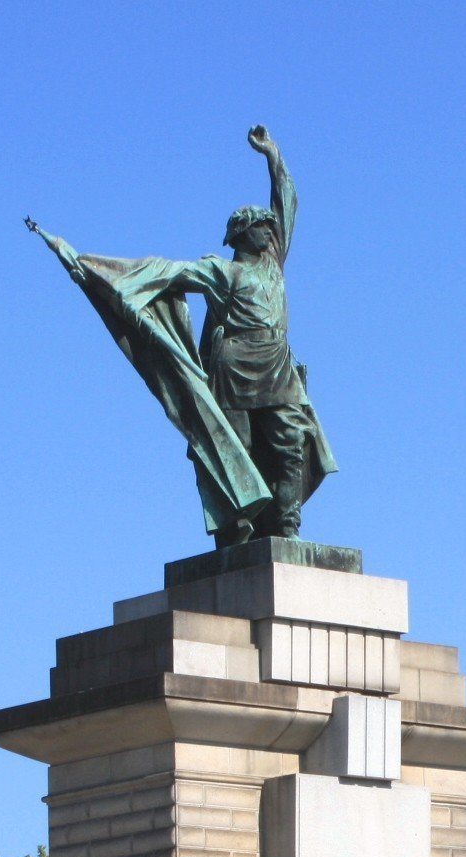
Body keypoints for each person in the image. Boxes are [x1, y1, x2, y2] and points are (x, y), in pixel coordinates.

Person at [26, 125, 336, 547]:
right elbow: (163, 271)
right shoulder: (220, 270)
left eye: (269, 225)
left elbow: (287, 200)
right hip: (233, 367)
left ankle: (286, 527)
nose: (269, 230)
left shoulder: (273, 263)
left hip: (277, 366)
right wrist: (98, 270)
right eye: (261, 226)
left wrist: (272, 155)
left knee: (290, 445)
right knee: (236, 448)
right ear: (241, 233)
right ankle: (238, 530)